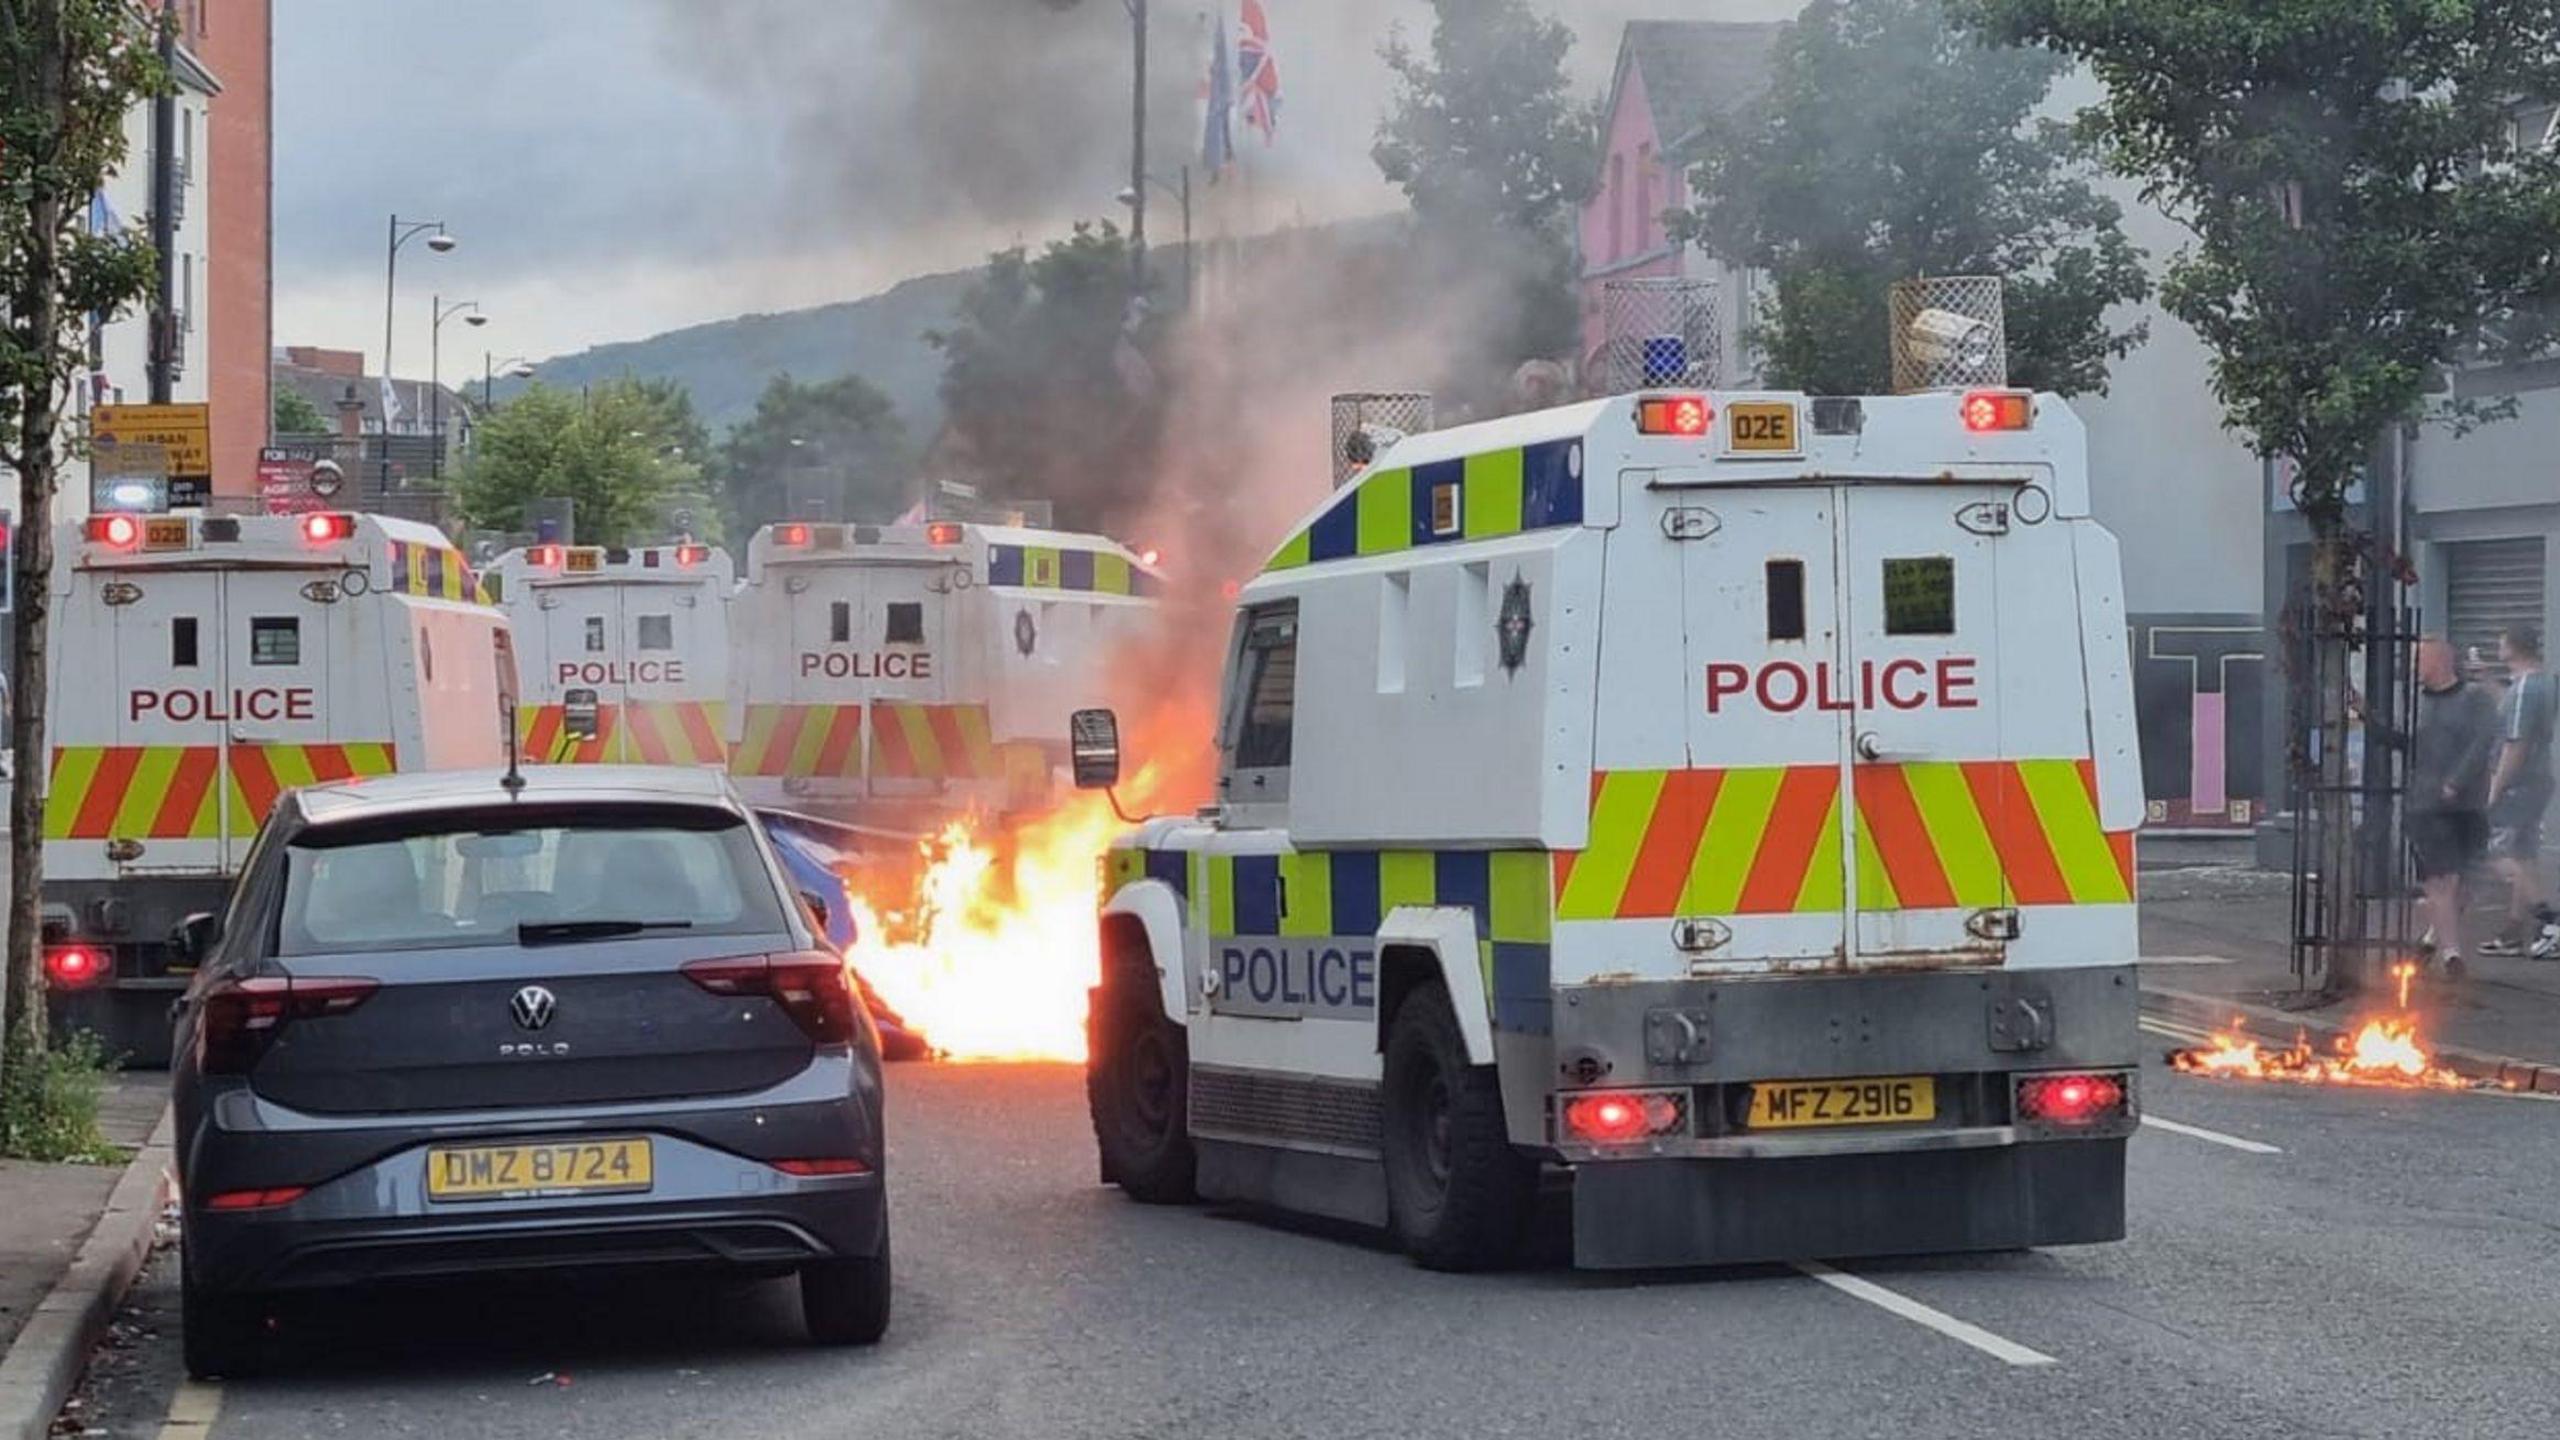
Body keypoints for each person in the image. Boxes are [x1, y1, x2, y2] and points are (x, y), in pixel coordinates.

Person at [2398, 636, 2502, 975]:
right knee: (2440, 880)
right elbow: (2401, 740)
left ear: (2440, 659)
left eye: (2418, 658)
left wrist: (2457, 780)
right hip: (2424, 807)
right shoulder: (2413, 703)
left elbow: (2483, 740)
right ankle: (2452, 956)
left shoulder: (2475, 699)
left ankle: (2431, 939)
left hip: (2468, 806)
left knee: (2465, 883)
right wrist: (2363, 712)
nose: (2412, 665)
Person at [2481, 626, 2558, 957]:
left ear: (2513, 646)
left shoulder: (2527, 687)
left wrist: (2495, 790)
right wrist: (2486, 679)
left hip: (2519, 784)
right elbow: (2512, 710)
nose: (2498, 645)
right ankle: (2513, 932)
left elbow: (2517, 744)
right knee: (2523, 855)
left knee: (2495, 852)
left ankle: (2550, 920)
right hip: (2535, 781)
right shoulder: (2538, 683)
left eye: (2502, 640)